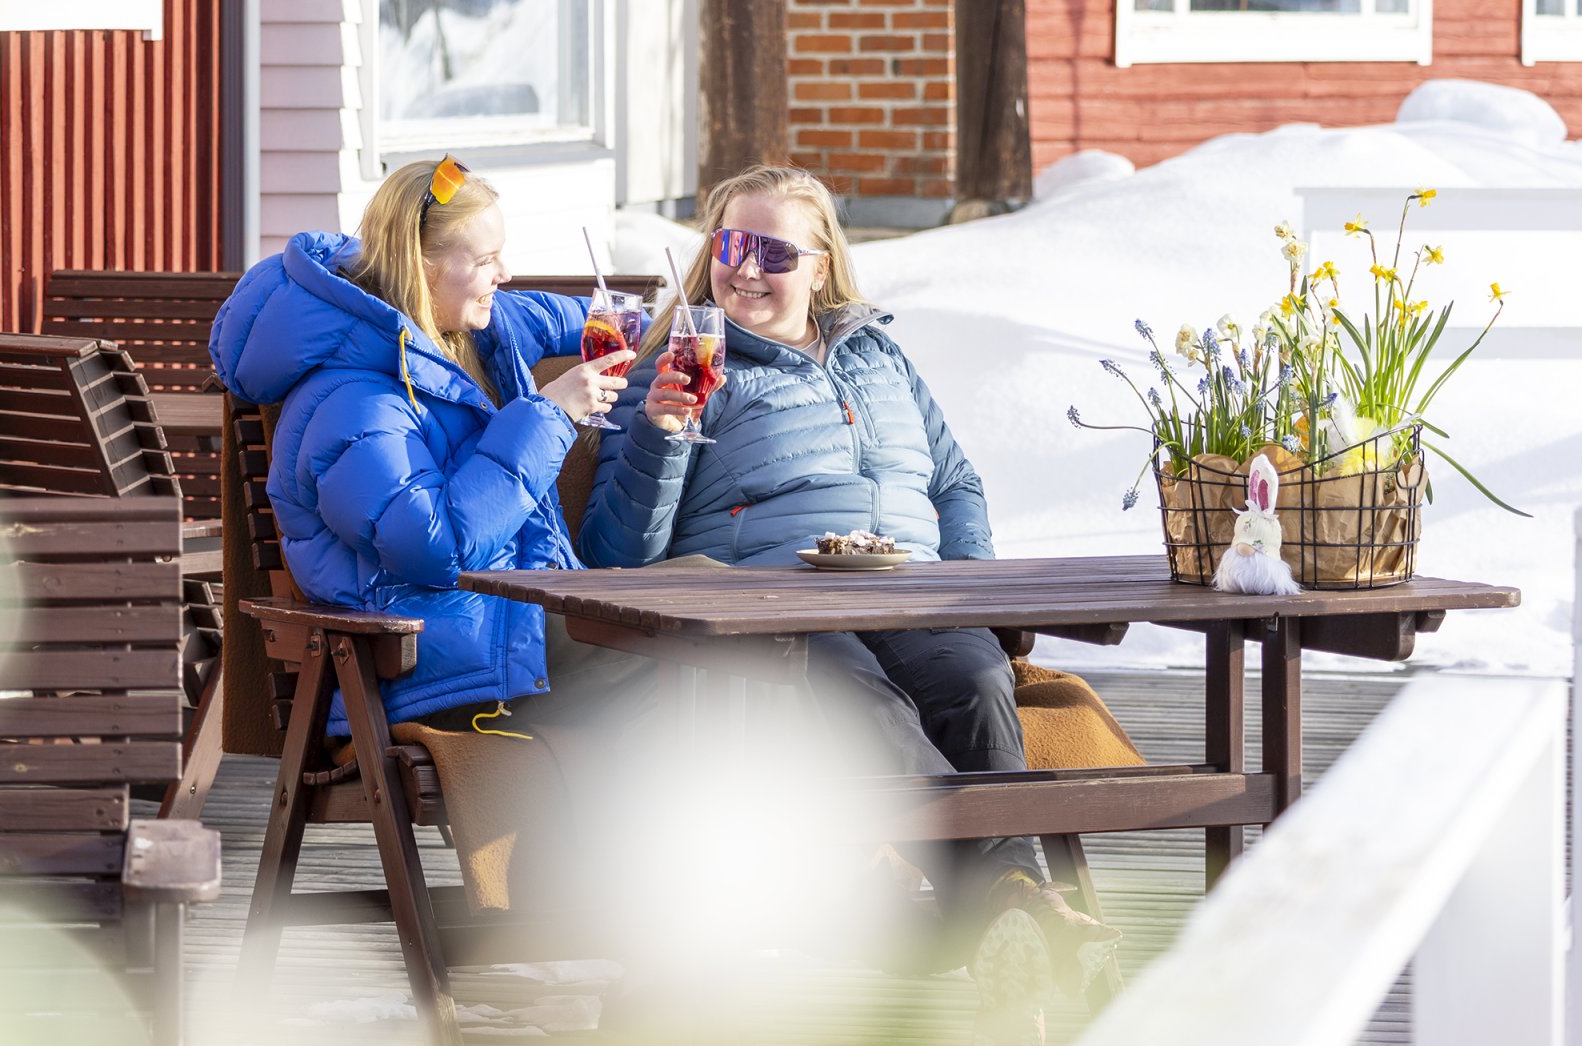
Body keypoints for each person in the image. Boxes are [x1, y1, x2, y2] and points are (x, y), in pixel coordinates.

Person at [577, 164, 1116, 1015]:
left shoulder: (877, 355)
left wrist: (972, 595)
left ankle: (1008, 913)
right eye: (728, 244)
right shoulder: (680, 369)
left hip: (909, 593)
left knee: (976, 681)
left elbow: (957, 485)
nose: (745, 268)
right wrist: (661, 435)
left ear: (822, 264)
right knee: (862, 702)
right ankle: (1015, 903)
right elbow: (616, 555)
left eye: (771, 251)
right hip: (770, 618)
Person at [209, 156, 648, 736]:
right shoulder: (353, 403)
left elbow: (544, 315)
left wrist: (645, 322)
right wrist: (550, 413)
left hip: (511, 618)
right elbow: (438, 546)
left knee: (705, 605)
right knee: (680, 654)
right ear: (421, 267)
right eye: (487, 260)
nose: (506, 274)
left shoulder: (457, 329)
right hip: (437, 661)